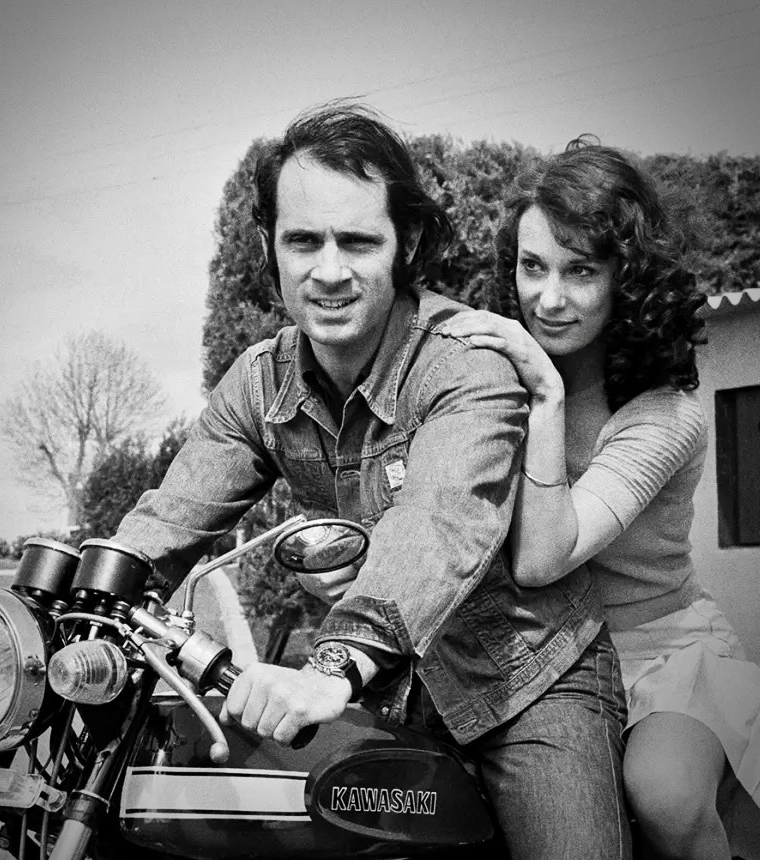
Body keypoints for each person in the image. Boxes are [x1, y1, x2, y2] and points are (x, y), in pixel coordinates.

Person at [114, 105, 632, 859]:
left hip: (530, 682)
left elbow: (441, 522)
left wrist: (330, 666)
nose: (328, 271)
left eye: (356, 240)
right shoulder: (258, 385)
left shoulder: (464, 365)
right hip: (397, 687)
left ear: (406, 243)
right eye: (303, 241)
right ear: (270, 247)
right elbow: (165, 519)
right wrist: (67, 600)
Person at [437, 137, 760, 859]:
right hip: (536, 650)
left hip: (661, 649)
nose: (548, 299)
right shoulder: (490, 382)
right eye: (532, 267)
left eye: (580, 270)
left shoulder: (665, 415)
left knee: (667, 796)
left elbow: (544, 555)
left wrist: (545, 396)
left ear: (627, 278)